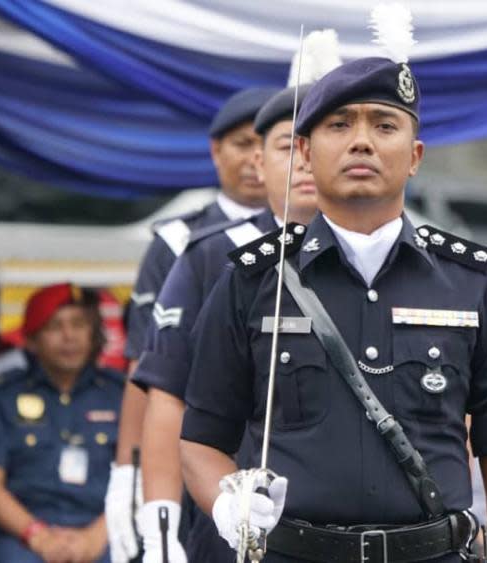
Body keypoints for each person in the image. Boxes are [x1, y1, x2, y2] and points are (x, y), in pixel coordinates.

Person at [179, 5, 487, 562]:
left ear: (415, 156)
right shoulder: (254, 281)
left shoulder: (475, 285)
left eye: (385, 124)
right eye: (340, 124)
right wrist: (228, 504)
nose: (362, 141)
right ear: (304, 151)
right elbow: (202, 441)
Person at [130, 31, 337, 563]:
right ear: (260, 164)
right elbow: (167, 395)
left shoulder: (389, 259)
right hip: (236, 523)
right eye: (289, 146)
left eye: (318, 143)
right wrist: (159, 525)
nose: (305, 161)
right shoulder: (208, 258)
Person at [106, 85, 276, 562]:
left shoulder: (313, 235)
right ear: (215, 151)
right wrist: (129, 472)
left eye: (268, 144)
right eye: (242, 144)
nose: (254, 159)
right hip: (197, 445)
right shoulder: (183, 242)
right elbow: (149, 366)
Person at [0, 283, 123, 562]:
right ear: (32, 339)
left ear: (93, 333)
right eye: (55, 326)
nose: (69, 336)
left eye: (78, 324)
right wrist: (39, 537)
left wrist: (96, 537)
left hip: (104, 531)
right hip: (21, 535)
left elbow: (139, 480)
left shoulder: (122, 395)